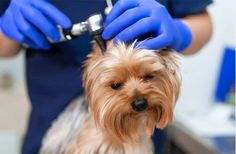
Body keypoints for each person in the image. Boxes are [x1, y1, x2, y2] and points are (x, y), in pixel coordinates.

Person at [0, 0, 213, 153]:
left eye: (148, 77)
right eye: (117, 84)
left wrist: (179, 31)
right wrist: (7, 29)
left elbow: (203, 23)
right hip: (51, 130)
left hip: (144, 138)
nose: (139, 97)